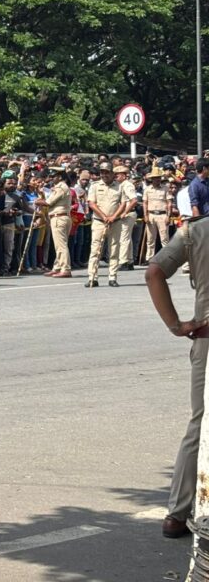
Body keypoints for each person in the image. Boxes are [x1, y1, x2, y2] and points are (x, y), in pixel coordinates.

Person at [144, 214, 209, 539]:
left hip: (206, 338)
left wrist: (176, 325)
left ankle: (177, 513)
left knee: (200, 423)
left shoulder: (195, 230)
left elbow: (154, 272)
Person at [86, 161, 123, 288]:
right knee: (95, 250)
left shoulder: (119, 186)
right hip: (99, 221)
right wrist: (104, 216)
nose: (104, 175)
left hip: (115, 222)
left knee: (114, 249)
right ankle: (92, 277)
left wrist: (113, 217)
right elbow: (91, 203)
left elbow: (123, 204)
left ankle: (112, 277)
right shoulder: (94, 186)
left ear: (113, 173)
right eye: (102, 172)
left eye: (107, 172)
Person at [36, 167, 72, 278]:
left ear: (60, 177)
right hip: (61, 217)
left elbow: (49, 202)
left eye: (53, 176)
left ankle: (65, 269)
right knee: (59, 244)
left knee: (61, 245)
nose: (51, 178)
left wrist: (38, 201)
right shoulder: (59, 187)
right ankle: (57, 267)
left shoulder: (61, 187)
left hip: (59, 217)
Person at [143, 167, 172, 264]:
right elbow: (145, 203)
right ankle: (149, 258)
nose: (157, 179)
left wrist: (168, 216)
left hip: (162, 215)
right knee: (150, 239)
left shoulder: (165, 189)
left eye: (159, 177)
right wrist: (145, 215)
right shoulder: (147, 189)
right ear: (152, 179)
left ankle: (166, 258)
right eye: (155, 177)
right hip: (151, 214)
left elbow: (169, 203)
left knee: (164, 238)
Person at [116, 165, 138, 271]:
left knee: (123, 238)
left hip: (128, 213)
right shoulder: (122, 185)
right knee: (127, 238)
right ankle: (129, 261)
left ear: (124, 175)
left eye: (118, 175)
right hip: (127, 213)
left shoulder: (127, 185)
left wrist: (125, 212)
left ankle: (123, 261)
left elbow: (134, 200)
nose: (116, 177)